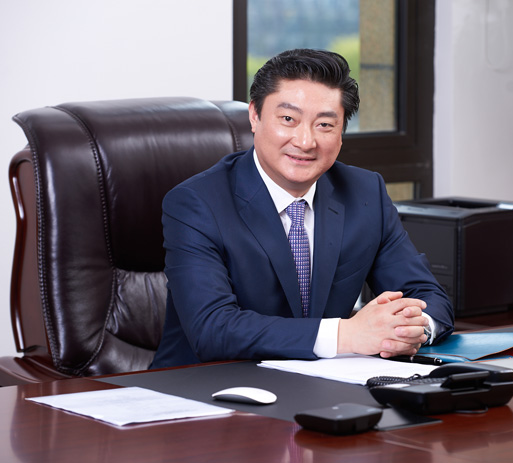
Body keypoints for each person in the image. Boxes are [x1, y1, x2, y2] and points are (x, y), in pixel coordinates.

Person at [151, 48, 453, 368]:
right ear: (254, 115)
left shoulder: (365, 193)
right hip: (204, 385)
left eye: (324, 124)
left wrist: (411, 330)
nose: (305, 141)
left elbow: (427, 296)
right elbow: (212, 329)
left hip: (323, 384)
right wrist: (346, 334)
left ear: (341, 133)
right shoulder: (197, 203)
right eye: (288, 119)